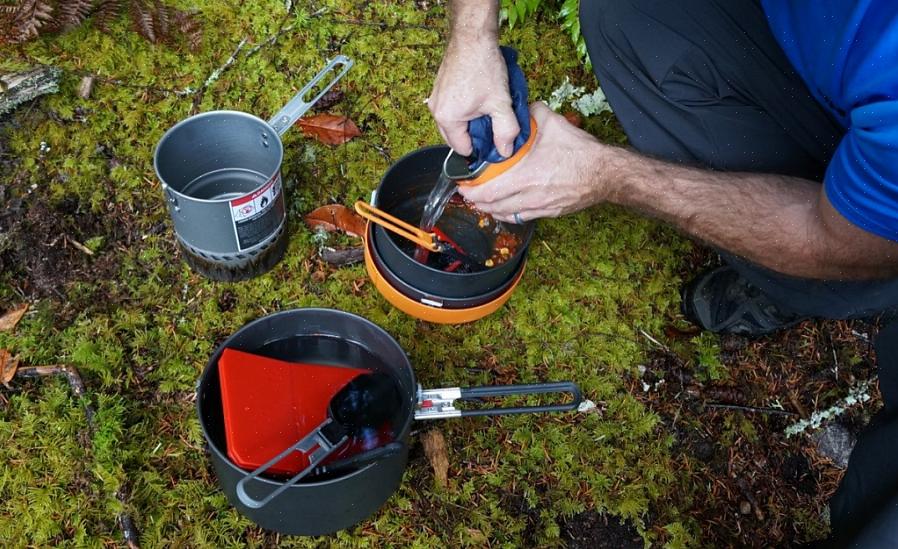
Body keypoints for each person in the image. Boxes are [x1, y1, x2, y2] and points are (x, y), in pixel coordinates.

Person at [427, 0, 898, 544]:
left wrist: (608, 174)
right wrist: (473, 35)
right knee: (623, 14)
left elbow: (835, 241)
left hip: (867, 219)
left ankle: (807, 284)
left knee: (876, 509)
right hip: (826, 60)